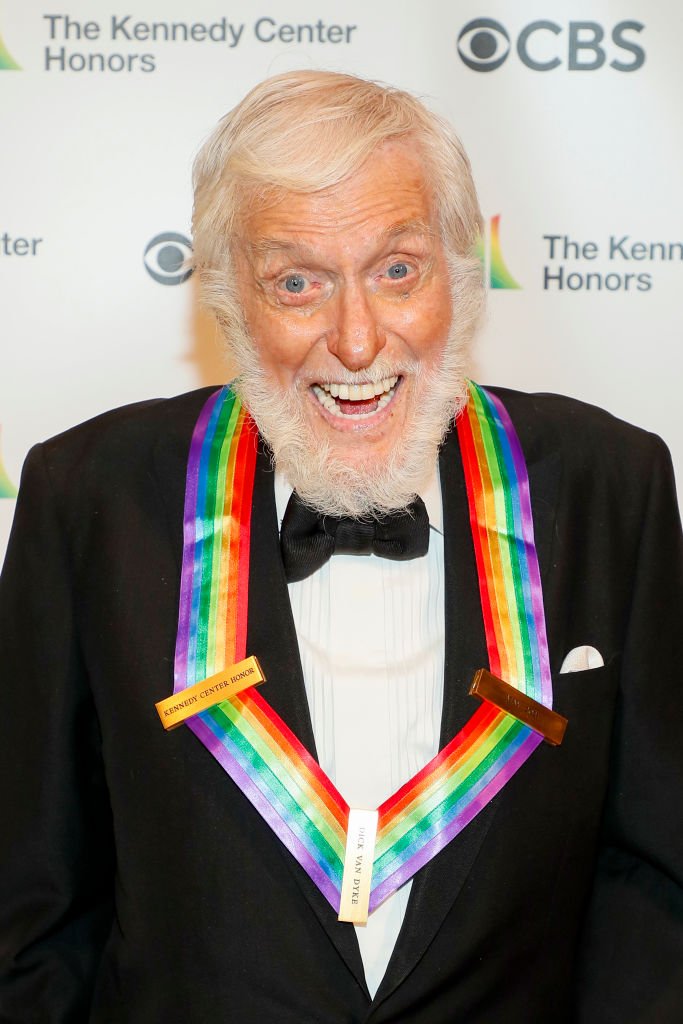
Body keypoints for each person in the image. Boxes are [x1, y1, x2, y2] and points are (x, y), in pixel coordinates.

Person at [0, 70, 681, 1023]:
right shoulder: (89, 498)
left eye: (397, 268)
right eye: (296, 283)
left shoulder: (611, 485)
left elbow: (652, 887)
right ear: (227, 297)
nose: (357, 340)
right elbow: (33, 909)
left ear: (459, 267)